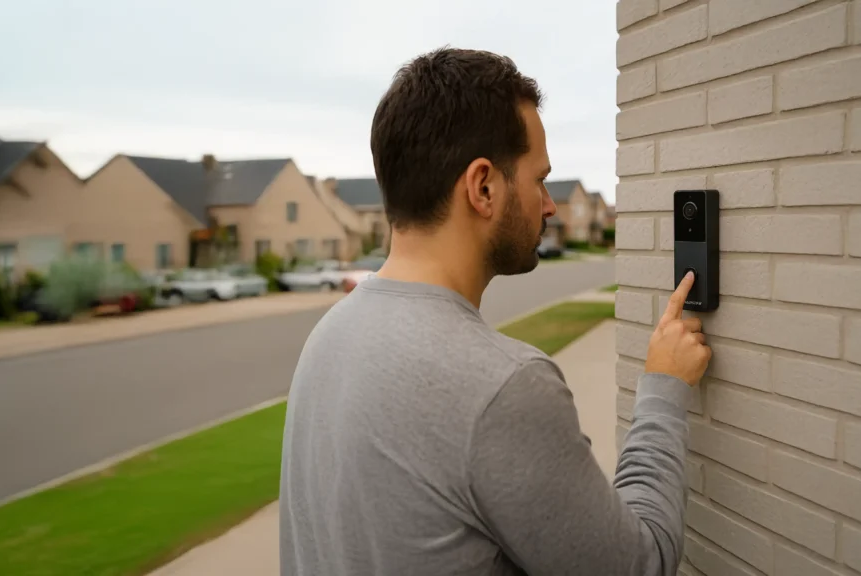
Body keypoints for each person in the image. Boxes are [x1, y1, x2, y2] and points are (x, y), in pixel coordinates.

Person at [279, 47, 711, 576]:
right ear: (483, 187)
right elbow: (640, 566)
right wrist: (663, 390)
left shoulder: (328, 336)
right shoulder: (502, 386)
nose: (550, 205)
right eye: (538, 179)